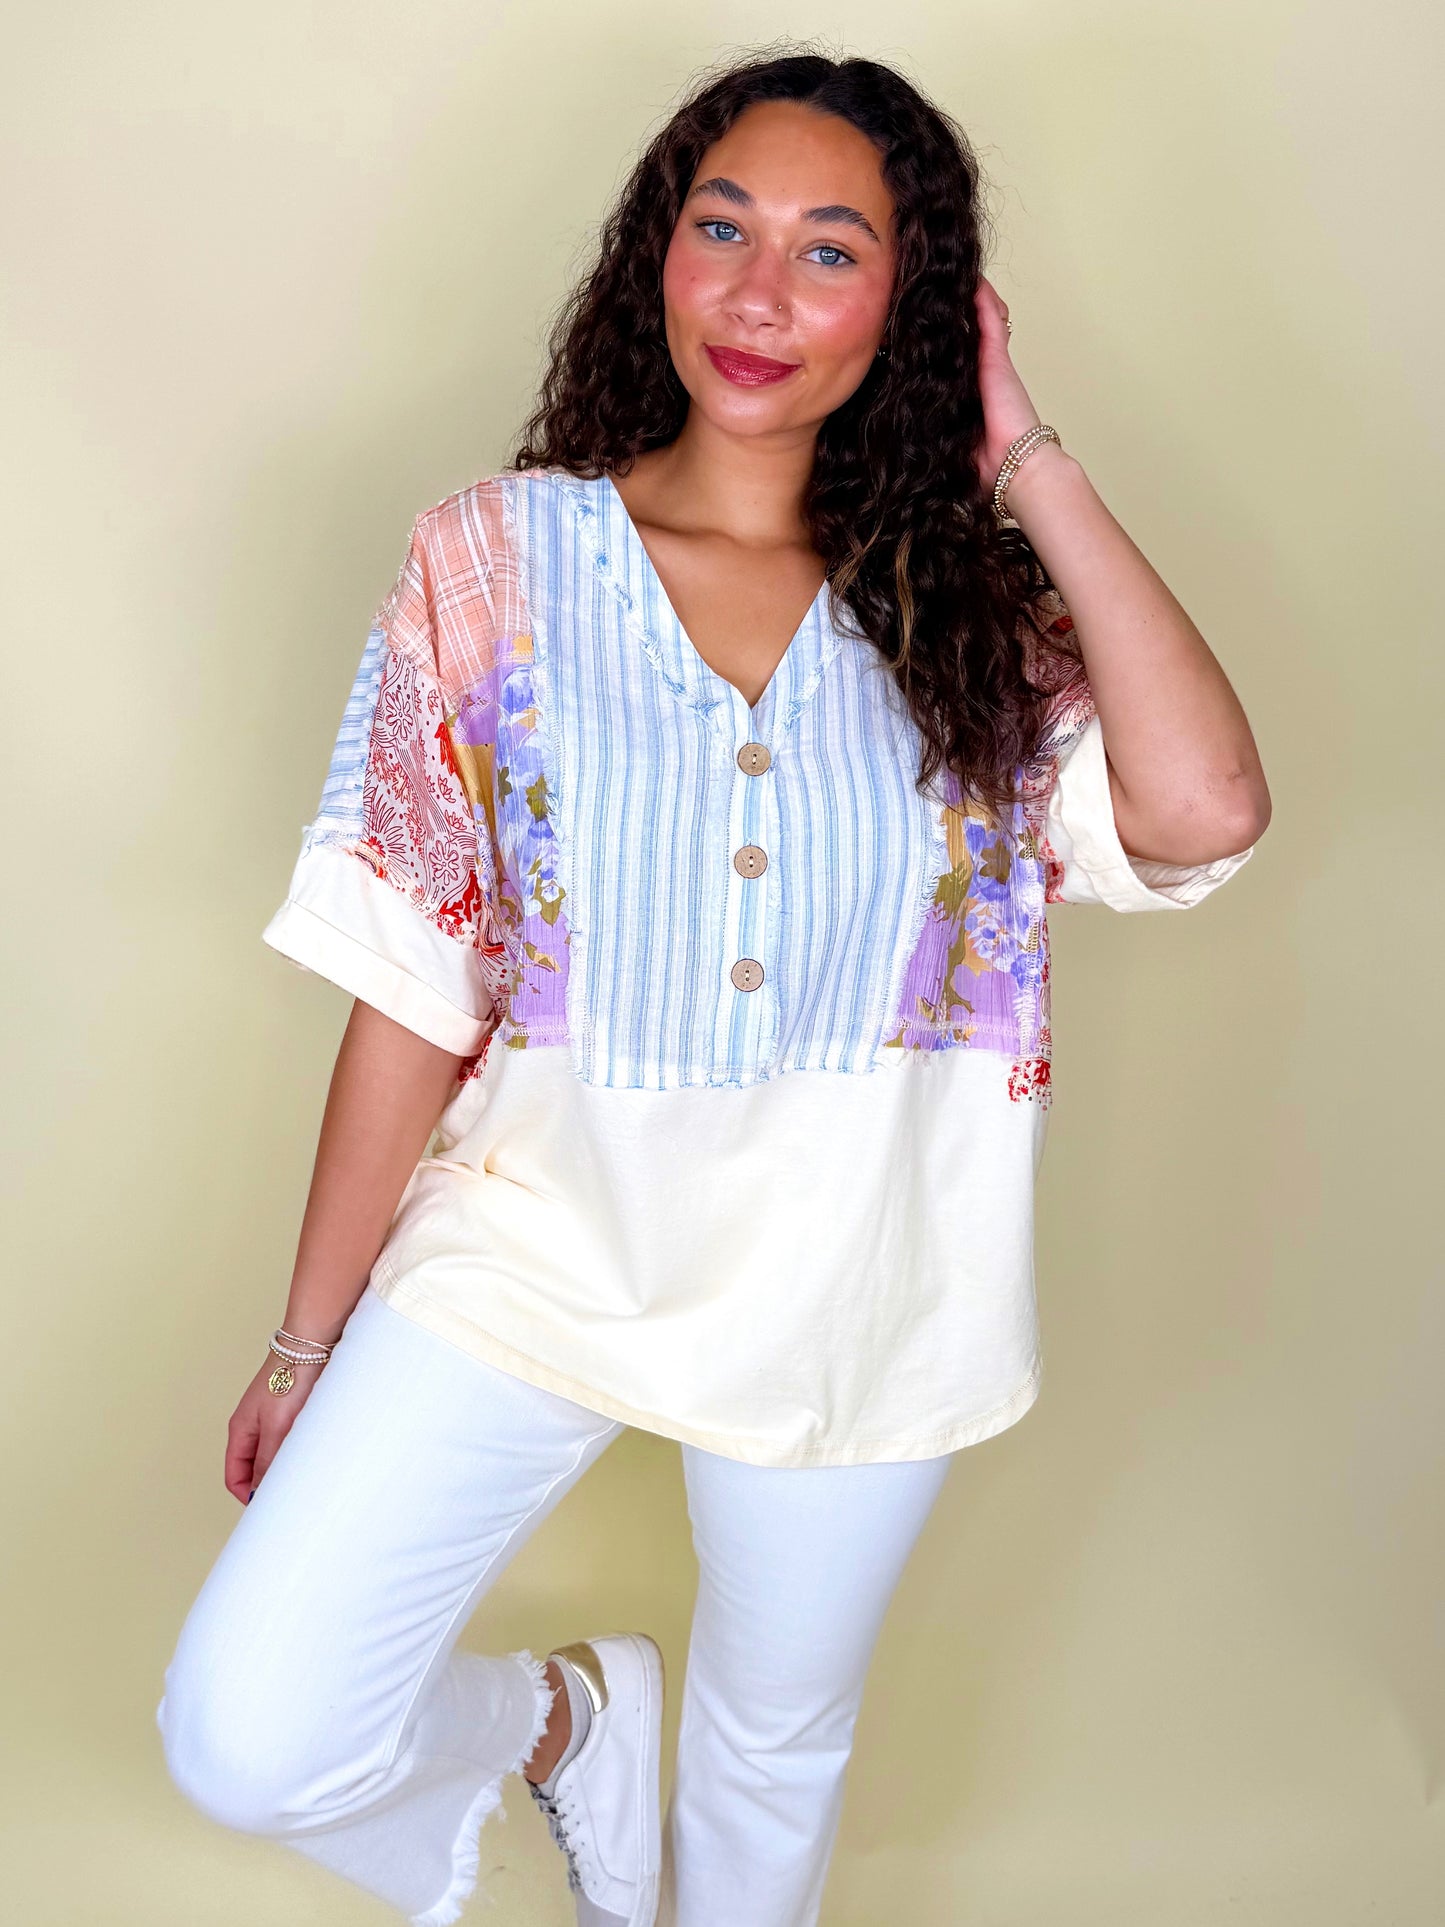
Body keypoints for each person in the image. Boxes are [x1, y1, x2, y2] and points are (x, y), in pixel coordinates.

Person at [153, 46, 1270, 1927]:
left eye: (831, 253)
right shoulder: (492, 561)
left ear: (910, 308)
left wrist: (1020, 451)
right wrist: (304, 1339)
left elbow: (1204, 806)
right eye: (721, 228)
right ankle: (565, 1726)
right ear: (652, 256)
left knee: (768, 1759)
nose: (759, 293)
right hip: (530, 1244)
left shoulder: (971, 620)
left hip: (862, 1278)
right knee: (249, 1731)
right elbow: (413, 975)